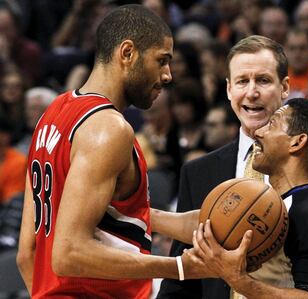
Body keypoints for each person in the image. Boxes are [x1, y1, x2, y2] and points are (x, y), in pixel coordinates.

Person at [157, 35, 308, 299]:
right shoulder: (197, 172)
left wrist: (238, 280)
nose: (252, 92)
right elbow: (187, 262)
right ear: (228, 90)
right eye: (242, 81)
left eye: (263, 80)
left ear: (285, 87)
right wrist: (134, 213)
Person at [16, 5, 212, 299]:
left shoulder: (52, 115)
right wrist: (179, 267)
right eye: (161, 61)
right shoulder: (110, 129)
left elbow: (27, 253)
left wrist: (197, 224)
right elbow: (68, 252)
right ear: (127, 52)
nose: (168, 75)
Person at [192, 98, 308, 298]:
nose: (258, 132)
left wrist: (238, 280)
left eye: (272, 124)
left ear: (297, 142)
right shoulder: (274, 204)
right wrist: (146, 212)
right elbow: (208, 222)